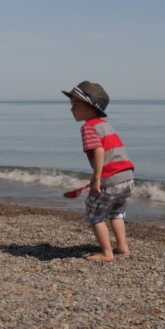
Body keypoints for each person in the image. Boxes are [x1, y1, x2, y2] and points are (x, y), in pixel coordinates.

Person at [63, 81, 135, 263]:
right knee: (116, 212)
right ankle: (123, 247)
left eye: (76, 105)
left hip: (110, 178)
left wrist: (96, 179)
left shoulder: (88, 128)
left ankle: (107, 253)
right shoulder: (105, 125)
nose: (72, 110)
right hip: (127, 177)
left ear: (90, 108)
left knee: (94, 214)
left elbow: (99, 151)